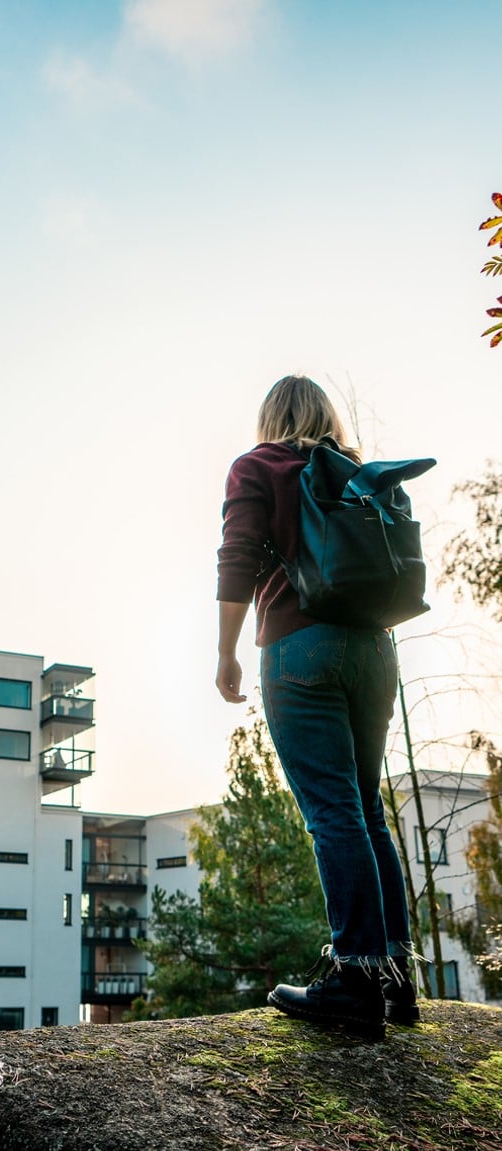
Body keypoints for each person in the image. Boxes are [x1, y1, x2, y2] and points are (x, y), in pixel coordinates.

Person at [215, 375, 418, 1039]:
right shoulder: (359, 472)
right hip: (375, 650)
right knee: (367, 809)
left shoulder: (260, 465)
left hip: (300, 646)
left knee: (332, 809)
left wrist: (227, 652)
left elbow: (239, 556)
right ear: (328, 417)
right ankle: (394, 979)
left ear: (269, 417)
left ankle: (353, 981)